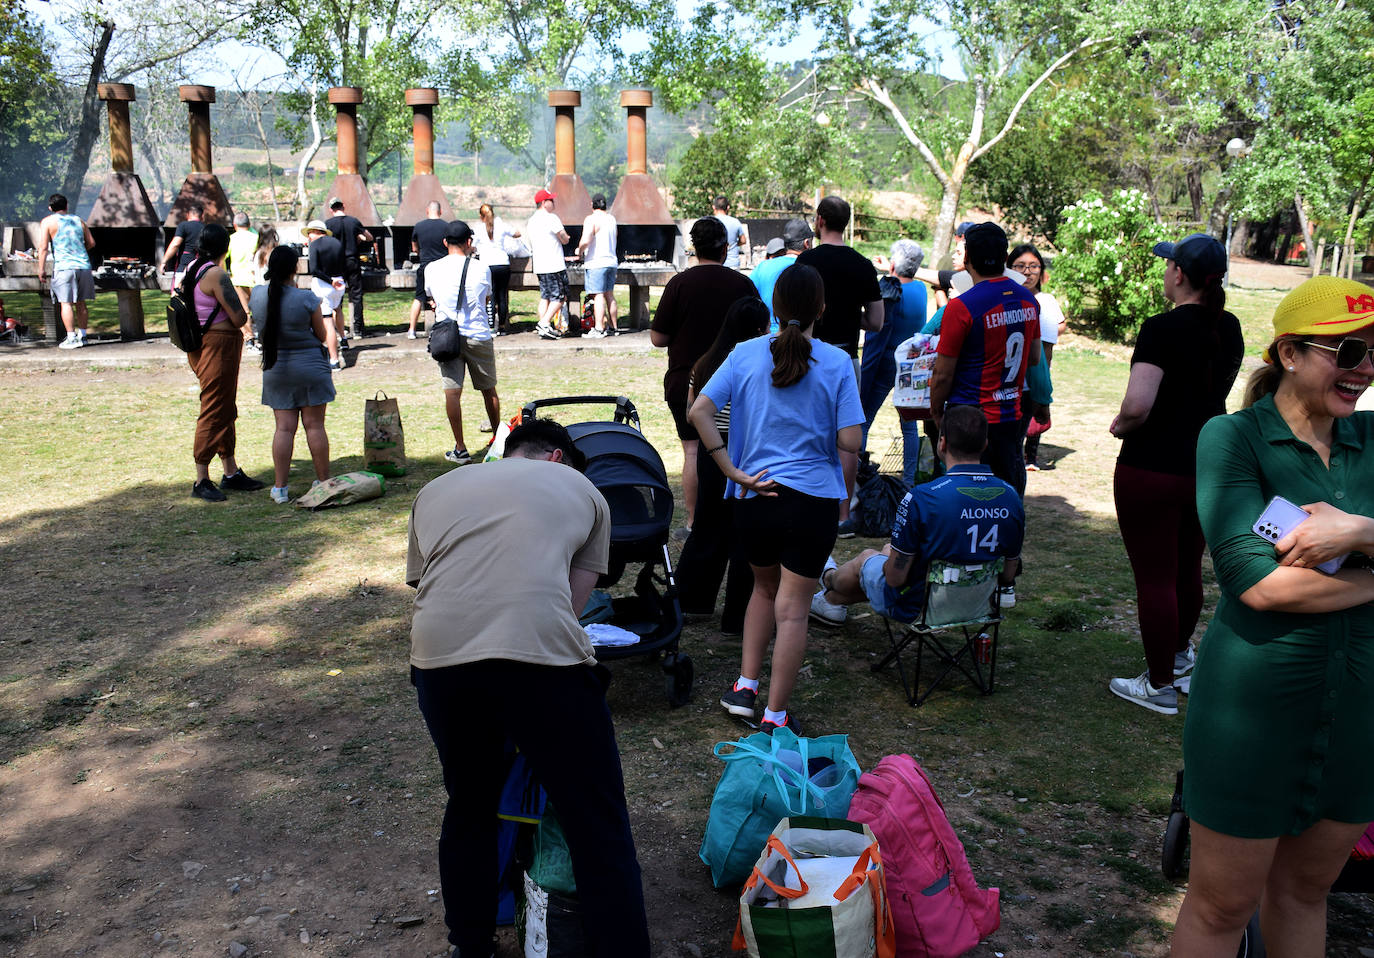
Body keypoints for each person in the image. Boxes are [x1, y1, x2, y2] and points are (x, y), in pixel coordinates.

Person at [1169, 276, 1374, 956]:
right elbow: (1257, 586)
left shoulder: (1370, 439)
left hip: (1359, 717)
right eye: (1348, 351)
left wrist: (1355, 534)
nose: (1365, 369)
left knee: (1305, 893)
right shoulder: (1231, 439)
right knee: (1222, 907)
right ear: (1289, 353)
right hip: (1249, 716)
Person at [407, 417, 651, 958]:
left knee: (470, 804)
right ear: (559, 460)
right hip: (541, 663)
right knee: (596, 819)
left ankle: (470, 946)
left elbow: (430, 585)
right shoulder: (585, 490)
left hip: (440, 659)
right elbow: (571, 605)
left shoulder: (435, 489)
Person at [690, 264, 864, 734]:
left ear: (774, 306)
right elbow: (850, 441)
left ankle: (745, 687)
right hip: (812, 503)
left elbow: (700, 411)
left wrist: (729, 470)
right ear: (821, 310)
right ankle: (775, 714)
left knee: (761, 591)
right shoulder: (838, 362)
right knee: (794, 610)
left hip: (754, 494)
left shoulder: (744, 354)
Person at [1107, 232, 1243, 714]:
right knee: (1188, 567)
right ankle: (1179, 659)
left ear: (1180, 274)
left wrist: (1121, 424)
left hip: (1152, 466)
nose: (1165, 272)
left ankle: (1159, 683)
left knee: (1155, 577)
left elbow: (1138, 406)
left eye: (1170, 266)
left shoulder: (1160, 329)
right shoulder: (1230, 327)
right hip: (1207, 465)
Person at [809, 405, 1023, 627]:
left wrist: (886, 559)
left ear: (942, 443)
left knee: (869, 557)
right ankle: (831, 600)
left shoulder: (923, 497)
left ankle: (828, 578)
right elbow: (1008, 573)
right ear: (985, 444)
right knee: (889, 554)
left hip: (920, 608)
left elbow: (894, 579)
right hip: (978, 604)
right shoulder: (1010, 496)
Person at [651, 217, 760, 539]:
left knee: (693, 451)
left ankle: (695, 522)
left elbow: (658, 338)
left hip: (686, 380)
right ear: (726, 248)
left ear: (694, 248)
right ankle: (733, 517)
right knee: (736, 448)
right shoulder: (741, 284)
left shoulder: (680, 284)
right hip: (736, 382)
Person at [676, 297, 771, 634]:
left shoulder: (705, 363)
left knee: (707, 526)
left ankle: (690, 601)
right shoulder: (758, 363)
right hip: (745, 448)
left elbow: (693, 409)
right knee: (745, 533)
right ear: (761, 329)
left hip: (710, 449)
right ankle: (739, 616)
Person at [928, 221, 1039, 501]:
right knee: (1004, 495)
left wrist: (937, 412)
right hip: (1010, 413)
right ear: (1005, 260)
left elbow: (942, 374)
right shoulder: (1029, 301)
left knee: (965, 499)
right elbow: (1035, 357)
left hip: (970, 417)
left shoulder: (961, 306)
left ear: (966, 260)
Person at [796, 195, 883, 536]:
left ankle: (805, 497)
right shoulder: (862, 264)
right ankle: (844, 513)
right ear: (846, 222)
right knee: (847, 437)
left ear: (819, 220)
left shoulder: (806, 262)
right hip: (847, 358)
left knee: (806, 428)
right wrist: (853, 317)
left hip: (808, 356)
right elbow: (876, 321)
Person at [181, 223, 265, 502]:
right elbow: (240, 318)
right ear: (224, 247)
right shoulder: (217, 274)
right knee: (214, 407)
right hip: (218, 346)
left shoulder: (191, 268)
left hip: (200, 345)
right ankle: (201, 478)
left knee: (224, 407)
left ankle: (230, 471)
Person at [252, 245, 334, 504]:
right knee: (315, 426)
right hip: (310, 367)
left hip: (276, 368)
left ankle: (280, 488)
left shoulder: (258, 295)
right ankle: (323, 481)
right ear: (295, 268)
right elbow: (322, 336)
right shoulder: (306, 298)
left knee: (284, 429)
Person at [425, 220, 499, 465]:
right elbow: (486, 297)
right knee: (488, 390)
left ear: (445, 242)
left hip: (447, 336)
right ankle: (498, 441)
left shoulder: (432, 269)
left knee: (452, 392)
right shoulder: (481, 268)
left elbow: (432, 297)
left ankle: (460, 447)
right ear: (469, 242)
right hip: (478, 334)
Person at [861, 238, 929, 489]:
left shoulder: (890, 291)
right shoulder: (921, 289)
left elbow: (880, 329)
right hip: (913, 362)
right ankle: (909, 480)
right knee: (909, 424)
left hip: (888, 361)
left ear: (893, 265)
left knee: (865, 417)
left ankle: (858, 470)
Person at [1007, 244, 1066, 471]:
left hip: (1026, 389)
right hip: (996, 387)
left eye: (1033, 266)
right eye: (1020, 266)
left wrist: (1042, 395)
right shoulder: (1000, 297)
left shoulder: (1047, 303)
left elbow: (1045, 356)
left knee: (1011, 453)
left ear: (1041, 272)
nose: (1027, 272)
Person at [36, 192, 95, 350]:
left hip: (64, 267)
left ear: (50, 208)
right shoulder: (78, 220)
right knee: (81, 302)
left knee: (66, 303)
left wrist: (41, 269)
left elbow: (43, 247)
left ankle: (71, 337)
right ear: (66, 205)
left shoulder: (48, 222)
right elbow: (91, 242)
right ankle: (83, 336)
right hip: (83, 266)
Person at [751, 218, 812, 332]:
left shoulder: (762, 267)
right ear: (807, 243)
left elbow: (749, 298)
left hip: (768, 335)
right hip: (802, 337)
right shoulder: (809, 269)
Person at [324, 197, 373, 339]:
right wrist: (359, 237)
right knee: (356, 295)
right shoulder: (353, 221)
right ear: (343, 206)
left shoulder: (328, 224)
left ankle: (338, 329)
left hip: (335, 263)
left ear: (331, 209)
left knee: (336, 297)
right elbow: (369, 237)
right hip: (352, 260)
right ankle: (357, 329)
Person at [527, 189, 571, 340]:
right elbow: (563, 237)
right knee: (560, 297)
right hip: (554, 264)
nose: (553, 202)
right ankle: (545, 323)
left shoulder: (532, 220)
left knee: (545, 297)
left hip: (540, 264)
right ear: (544, 203)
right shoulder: (551, 218)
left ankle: (544, 327)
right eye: (551, 200)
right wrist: (567, 238)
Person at [304, 220, 346, 369]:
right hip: (340, 282)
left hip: (324, 285)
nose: (308, 236)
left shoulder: (314, 245)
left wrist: (329, 281)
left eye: (309, 233)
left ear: (315, 231)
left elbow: (314, 269)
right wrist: (338, 281)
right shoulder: (337, 243)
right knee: (338, 308)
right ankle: (343, 337)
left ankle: (334, 359)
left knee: (327, 321)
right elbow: (344, 263)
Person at [474, 203, 519, 335]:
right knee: (502, 296)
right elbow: (517, 233)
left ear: (481, 216)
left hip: (487, 265)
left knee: (490, 296)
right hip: (503, 263)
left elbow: (473, 245)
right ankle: (503, 327)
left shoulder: (479, 229)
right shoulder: (501, 225)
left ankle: (491, 326)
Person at [578, 193, 619, 337]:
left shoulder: (591, 219)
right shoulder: (611, 219)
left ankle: (599, 328)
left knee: (598, 295)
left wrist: (579, 250)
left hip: (597, 262)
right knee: (609, 295)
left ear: (592, 205)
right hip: (611, 262)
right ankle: (614, 328)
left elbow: (586, 239)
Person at [406, 201, 448, 340]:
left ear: (427, 211)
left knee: (419, 298)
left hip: (425, 266)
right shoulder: (446, 227)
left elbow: (414, 248)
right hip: (442, 267)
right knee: (443, 297)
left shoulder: (419, 226)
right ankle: (443, 327)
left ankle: (412, 330)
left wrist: (421, 253)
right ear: (440, 212)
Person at [226, 212, 260, 353]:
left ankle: (249, 338)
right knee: (259, 310)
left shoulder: (231, 239)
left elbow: (224, 256)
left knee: (244, 310)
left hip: (238, 278)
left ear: (234, 225)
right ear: (249, 224)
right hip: (255, 278)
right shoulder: (256, 237)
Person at [161, 202, 204, 287]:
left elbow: (175, 244)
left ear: (188, 215)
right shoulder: (206, 228)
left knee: (178, 295)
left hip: (184, 266)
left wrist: (163, 262)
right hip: (201, 268)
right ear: (202, 216)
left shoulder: (183, 226)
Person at [711, 195, 749, 270]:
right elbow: (743, 240)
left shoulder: (710, 222)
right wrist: (735, 244)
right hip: (733, 265)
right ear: (728, 207)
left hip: (715, 265)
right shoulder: (735, 222)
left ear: (713, 207)